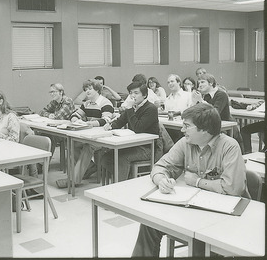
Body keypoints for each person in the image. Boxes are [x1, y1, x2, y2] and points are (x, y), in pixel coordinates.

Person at [132, 103, 249, 257]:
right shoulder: (185, 143)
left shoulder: (229, 147)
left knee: (200, 241)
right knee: (149, 224)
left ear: (204, 129)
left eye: (187, 126)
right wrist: (161, 180)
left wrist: (197, 182)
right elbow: (160, 166)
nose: (182, 130)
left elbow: (232, 188)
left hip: (224, 215)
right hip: (195, 207)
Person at [56, 79, 114, 188]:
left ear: (97, 89)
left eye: (90, 89)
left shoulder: (105, 102)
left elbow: (106, 120)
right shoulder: (86, 103)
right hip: (88, 134)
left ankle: (74, 180)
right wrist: (75, 120)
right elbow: (75, 115)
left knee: (88, 147)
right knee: (72, 144)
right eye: (85, 89)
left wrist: (89, 123)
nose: (87, 91)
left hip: (102, 137)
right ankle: (90, 167)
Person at [102, 81, 159, 181]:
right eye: (131, 93)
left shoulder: (151, 108)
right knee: (106, 157)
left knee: (122, 158)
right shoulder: (132, 107)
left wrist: (130, 110)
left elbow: (138, 128)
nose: (132, 96)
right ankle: (126, 179)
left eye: (136, 93)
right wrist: (110, 126)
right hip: (133, 144)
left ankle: (121, 185)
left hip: (147, 148)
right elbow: (120, 122)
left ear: (144, 95)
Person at [192, 73, 244, 153]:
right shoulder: (206, 96)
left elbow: (215, 112)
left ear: (211, 83)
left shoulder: (221, 94)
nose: (200, 85)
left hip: (226, 127)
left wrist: (201, 101)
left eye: (202, 82)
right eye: (199, 83)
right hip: (211, 125)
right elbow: (198, 112)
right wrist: (195, 101)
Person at [39, 83, 75, 153]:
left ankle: (44, 162)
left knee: (49, 137)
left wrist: (52, 115)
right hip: (56, 128)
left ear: (61, 92)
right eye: (50, 92)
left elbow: (58, 117)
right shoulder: (54, 102)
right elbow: (41, 111)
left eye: (54, 92)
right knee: (40, 135)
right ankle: (40, 161)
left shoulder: (68, 101)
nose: (51, 94)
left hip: (68, 131)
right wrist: (49, 115)